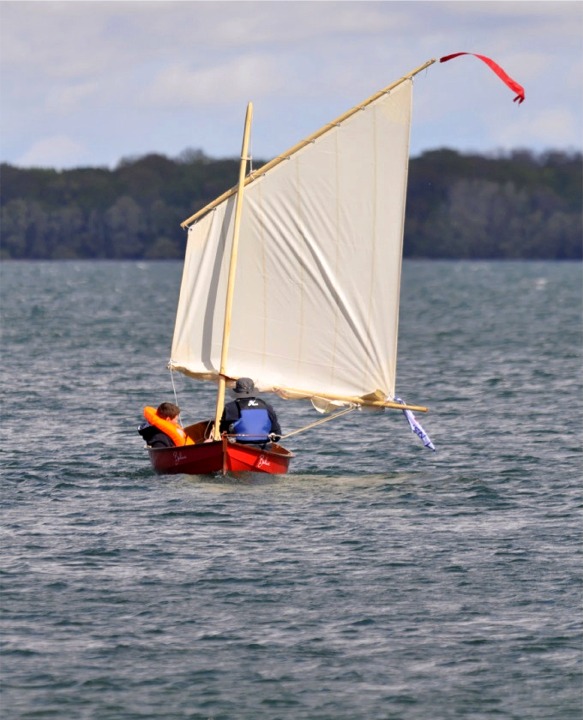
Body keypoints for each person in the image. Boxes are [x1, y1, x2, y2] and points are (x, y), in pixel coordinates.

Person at [220, 377, 282, 444]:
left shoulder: (231, 407)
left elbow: (223, 431)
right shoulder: (267, 406)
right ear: (252, 391)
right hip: (263, 447)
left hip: (239, 446)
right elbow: (277, 435)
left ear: (237, 391)